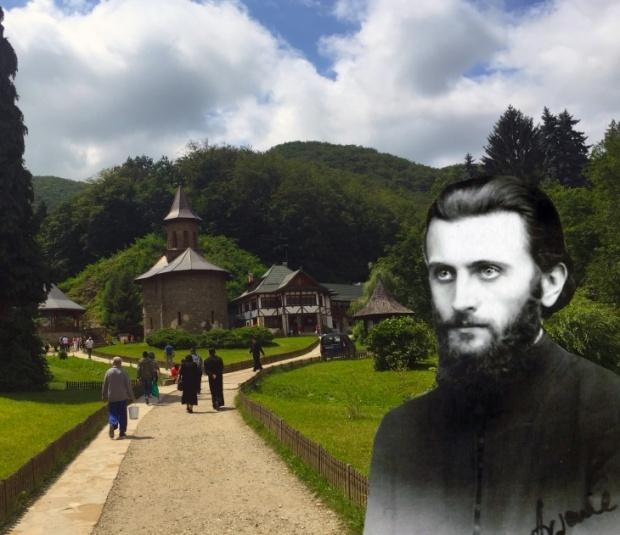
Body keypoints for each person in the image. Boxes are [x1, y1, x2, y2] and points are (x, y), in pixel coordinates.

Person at [364, 176, 620, 535]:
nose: (460, 300)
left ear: (549, 283)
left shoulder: (609, 415)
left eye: (488, 270)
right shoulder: (401, 433)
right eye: (444, 273)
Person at [102, 356, 134, 440]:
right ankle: (122, 432)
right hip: (122, 397)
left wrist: (104, 395)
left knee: (113, 412)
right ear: (120, 363)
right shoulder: (124, 372)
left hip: (112, 396)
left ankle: (112, 424)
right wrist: (131, 396)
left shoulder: (108, 372)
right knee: (122, 414)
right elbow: (128, 385)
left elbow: (105, 385)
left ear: (113, 363)